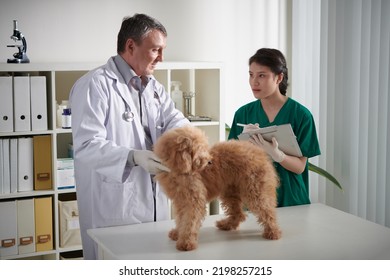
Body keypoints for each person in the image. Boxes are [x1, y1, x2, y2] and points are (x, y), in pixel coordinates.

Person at [69, 13, 190, 259]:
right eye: (156, 49)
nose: (161, 58)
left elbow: (173, 119)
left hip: (155, 202)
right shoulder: (95, 84)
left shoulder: (154, 86)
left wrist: (188, 138)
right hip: (114, 206)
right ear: (131, 46)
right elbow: (86, 145)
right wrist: (133, 157)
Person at [228, 48, 321, 207]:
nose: (254, 82)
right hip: (254, 200)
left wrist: (277, 155)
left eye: (262, 75)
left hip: (291, 201)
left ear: (279, 78)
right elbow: (231, 166)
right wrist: (242, 146)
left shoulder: (301, 115)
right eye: (251, 75)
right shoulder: (243, 114)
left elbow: (299, 167)